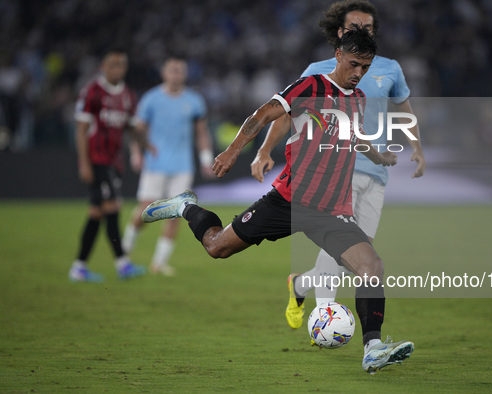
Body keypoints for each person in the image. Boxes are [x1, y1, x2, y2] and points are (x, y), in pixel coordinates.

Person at [141, 28, 413, 374]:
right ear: (339, 55)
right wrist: (233, 150)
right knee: (216, 248)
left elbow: (354, 135)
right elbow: (264, 113)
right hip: (287, 201)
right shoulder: (310, 86)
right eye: (355, 63)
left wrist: (378, 157)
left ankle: (373, 348)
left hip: (330, 211)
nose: (359, 73)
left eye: (366, 66)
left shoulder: (357, 99)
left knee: (371, 266)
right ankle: (184, 206)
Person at [250, 0, 426, 330]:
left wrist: (416, 146)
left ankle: (300, 285)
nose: (362, 32)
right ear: (340, 33)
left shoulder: (389, 69)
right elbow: (288, 112)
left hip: (374, 173)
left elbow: (404, 108)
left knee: (358, 258)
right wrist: (264, 150)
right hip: (330, 171)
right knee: (339, 243)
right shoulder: (318, 69)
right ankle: (326, 320)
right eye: (354, 28)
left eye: (369, 28)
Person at [121, 57, 214, 276]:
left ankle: (159, 263)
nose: (176, 74)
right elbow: (138, 130)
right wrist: (136, 153)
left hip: (182, 166)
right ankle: (124, 250)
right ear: (164, 73)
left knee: (177, 213)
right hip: (155, 164)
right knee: (145, 209)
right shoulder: (151, 99)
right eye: (172, 70)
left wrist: (206, 159)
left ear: (185, 74)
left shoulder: (194, 101)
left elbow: (201, 132)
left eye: (180, 70)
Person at [69, 48, 149, 282]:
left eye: (121, 65)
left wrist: (147, 144)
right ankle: (122, 264)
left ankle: (79, 267)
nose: (118, 69)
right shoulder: (92, 92)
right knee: (112, 208)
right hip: (97, 160)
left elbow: (131, 126)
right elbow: (81, 130)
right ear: (103, 67)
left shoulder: (127, 95)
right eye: (113, 65)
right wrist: (84, 163)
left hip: (114, 161)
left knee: (96, 213)